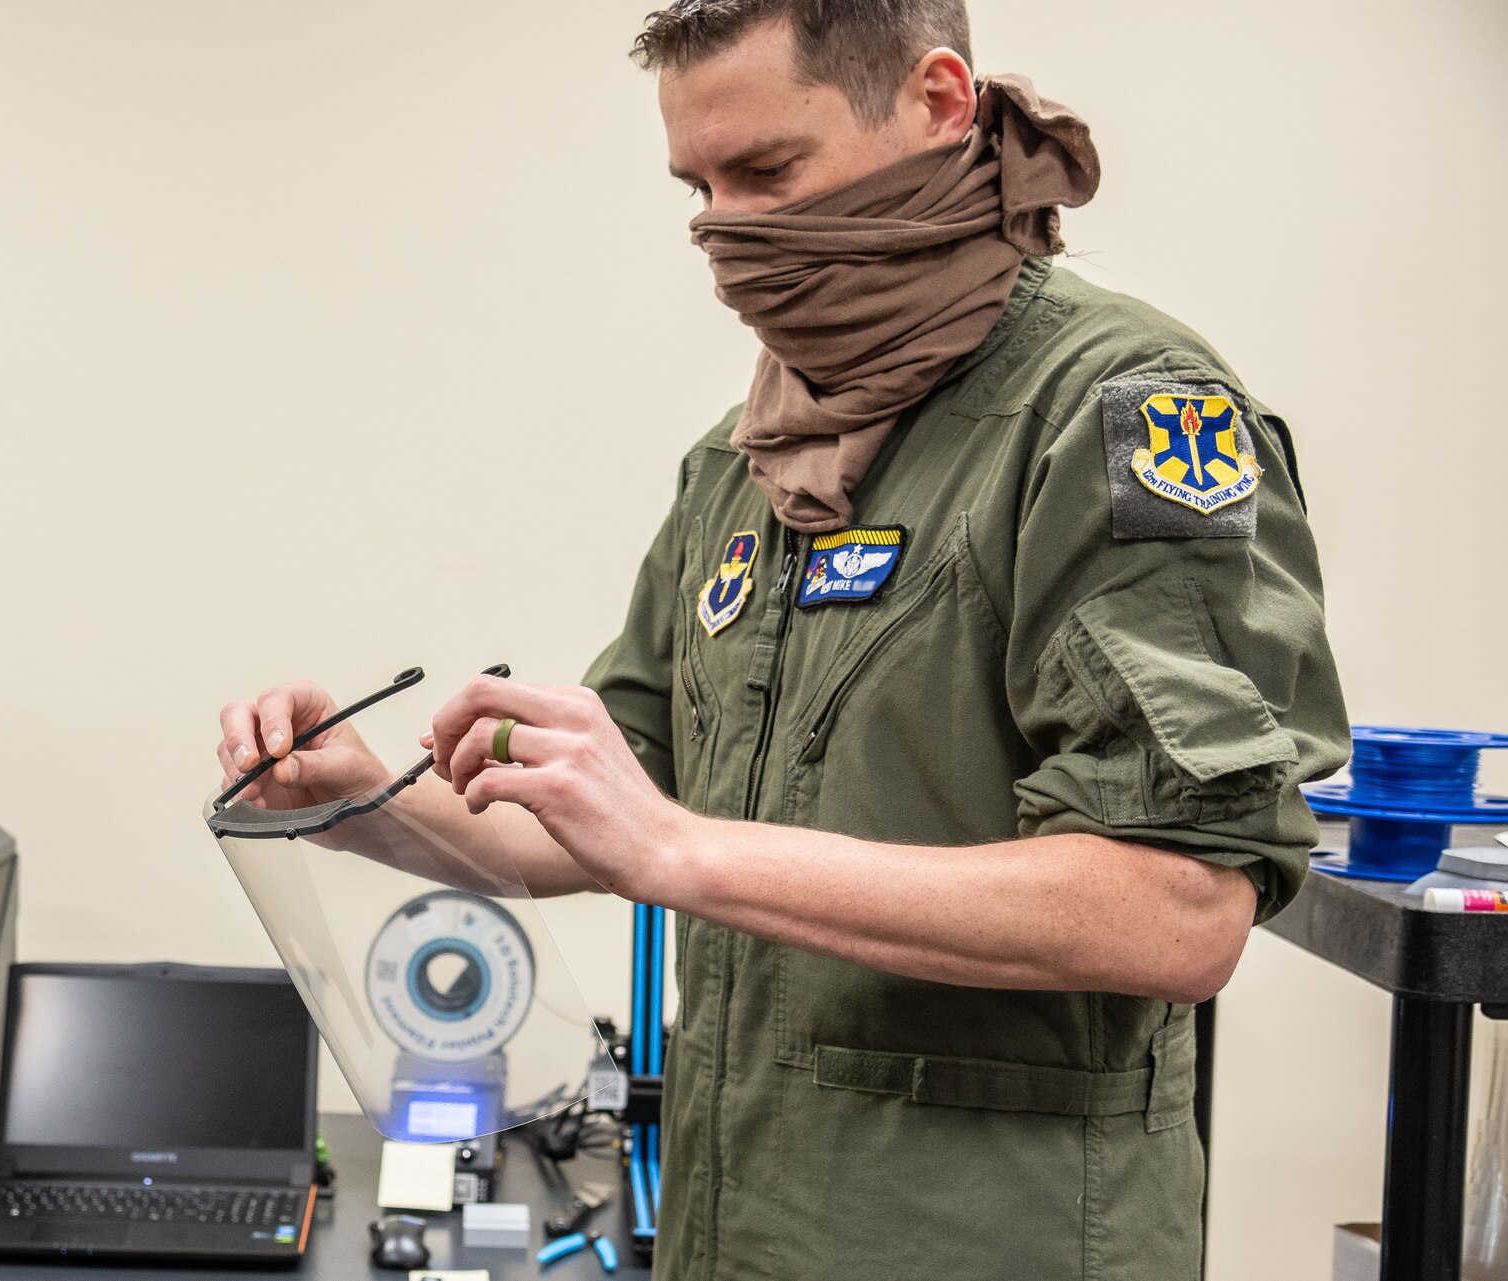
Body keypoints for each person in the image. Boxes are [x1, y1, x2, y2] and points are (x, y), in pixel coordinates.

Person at [215, 3, 1349, 1277]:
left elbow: (1176, 910)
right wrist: (363, 796)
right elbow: (600, 821)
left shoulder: (1113, 414)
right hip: (734, 1230)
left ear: (935, 102)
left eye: (766, 171)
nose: (725, 234)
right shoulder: (744, 463)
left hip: (990, 1239)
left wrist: (686, 853)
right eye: (696, 187)